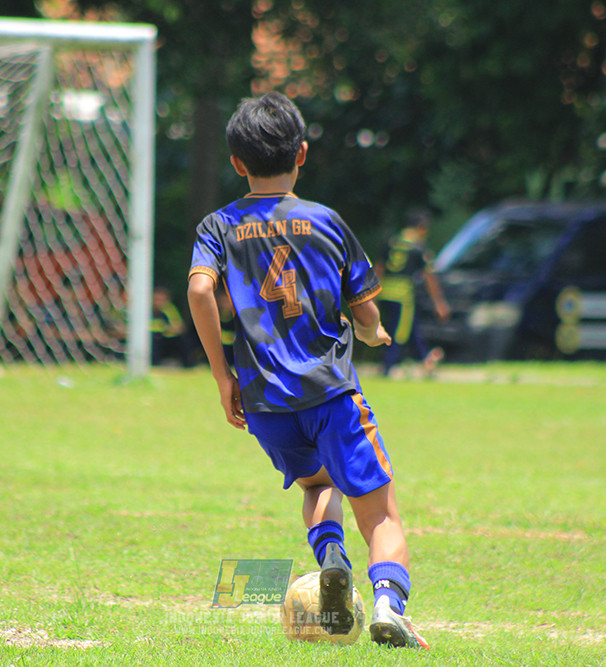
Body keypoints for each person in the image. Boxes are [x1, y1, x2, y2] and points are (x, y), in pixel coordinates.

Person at [187, 91, 430, 649]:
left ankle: (332, 564)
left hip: (267, 403)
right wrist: (372, 331)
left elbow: (201, 287)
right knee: (382, 515)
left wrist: (223, 376)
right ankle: (389, 604)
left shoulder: (218, 225)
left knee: (316, 484)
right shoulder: (324, 221)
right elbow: (363, 310)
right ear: (301, 153)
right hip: (329, 392)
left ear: (236, 163)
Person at [376, 208, 450, 377]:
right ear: (421, 227)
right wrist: (439, 302)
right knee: (400, 332)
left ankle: (426, 359)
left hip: (385, 292)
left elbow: (379, 268)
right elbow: (429, 276)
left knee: (407, 327)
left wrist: (371, 295)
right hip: (403, 295)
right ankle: (387, 366)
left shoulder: (391, 241)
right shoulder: (418, 246)